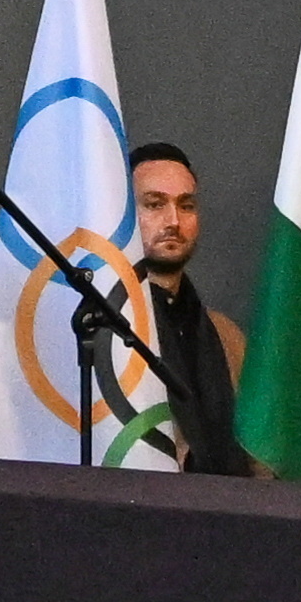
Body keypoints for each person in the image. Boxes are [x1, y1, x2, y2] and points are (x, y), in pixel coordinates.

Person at [121, 141, 257, 476]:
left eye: (186, 205)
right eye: (154, 204)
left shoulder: (227, 336)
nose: (173, 221)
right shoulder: (108, 331)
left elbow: (260, 450)